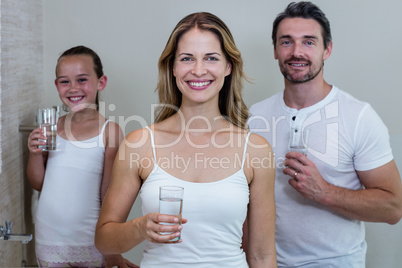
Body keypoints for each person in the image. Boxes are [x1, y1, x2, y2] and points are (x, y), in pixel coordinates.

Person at [95, 12, 277, 267]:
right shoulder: (139, 143)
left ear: (228, 67)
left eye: (211, 58)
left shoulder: (256, 150)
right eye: (187, 58)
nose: (198, 70)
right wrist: (138, 227)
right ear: (172, 67)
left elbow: (262, 255)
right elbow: (103, 240)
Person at [248, 1, 402, 267]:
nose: (297, 52)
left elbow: (393, 208)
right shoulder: (255, 117)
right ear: (275, 50)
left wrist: (324, 192)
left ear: (326, 49)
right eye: (286, 42)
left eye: (309, 42)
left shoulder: (359, 117)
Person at [27, 46, 135, 267]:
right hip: (50, 236)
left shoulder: (110, 132)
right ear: (56, 85)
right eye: (64, 81)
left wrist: (111, 246)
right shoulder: (52, 127)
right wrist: (35, 154)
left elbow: (109, 195)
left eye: (82, 79)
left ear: (101, 82)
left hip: (90, 237)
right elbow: (39, 183)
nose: (73, 88)